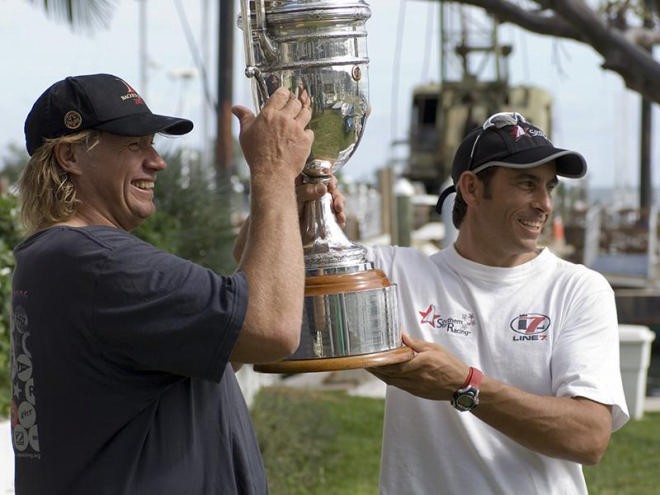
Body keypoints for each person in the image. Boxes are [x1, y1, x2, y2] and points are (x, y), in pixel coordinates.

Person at [10, 73, 313, 494]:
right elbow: (270, 330)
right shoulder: (98, 261)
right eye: (134, 145)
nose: (156, 160)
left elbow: (225, 345)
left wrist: (284, 206)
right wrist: (274, 171)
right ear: (70, 156)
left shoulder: (57, 258)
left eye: (151, 143)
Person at [363, 112, 630, 494]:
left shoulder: (578, 289)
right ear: (471, 189)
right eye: (526, 184)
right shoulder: (394, 274)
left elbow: (588, 438)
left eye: (549, 187)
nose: (545, 205)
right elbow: (265, 276)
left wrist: (464, 384)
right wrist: (297, 199)